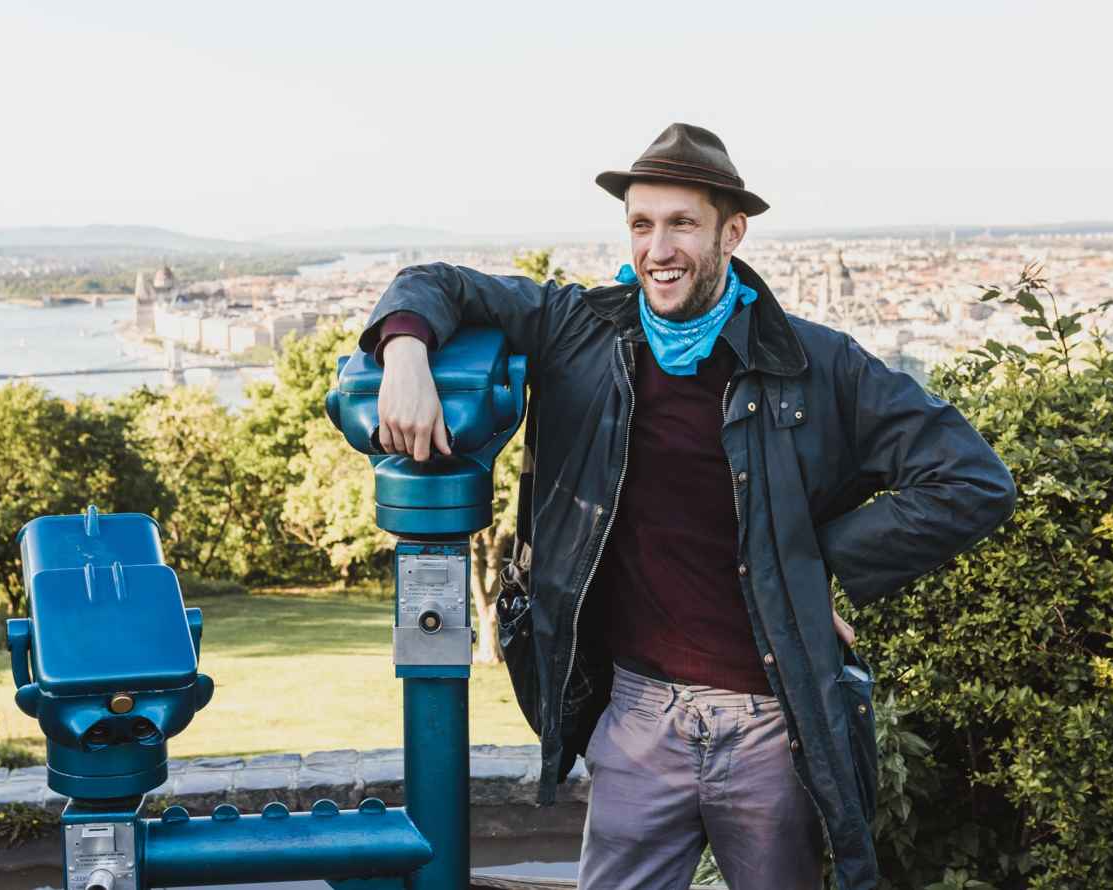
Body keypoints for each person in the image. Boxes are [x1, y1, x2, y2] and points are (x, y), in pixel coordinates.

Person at [359, 123, 1016, 890]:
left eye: (682, 224)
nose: (658, 249)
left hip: (772, 725)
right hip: (637, 716)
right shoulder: (580, 331)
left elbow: (974, 481)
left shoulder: (814, 363)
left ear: (732, 232)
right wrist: (403, 351)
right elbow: (435, 282)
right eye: (642, 223)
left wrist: (811, 560)